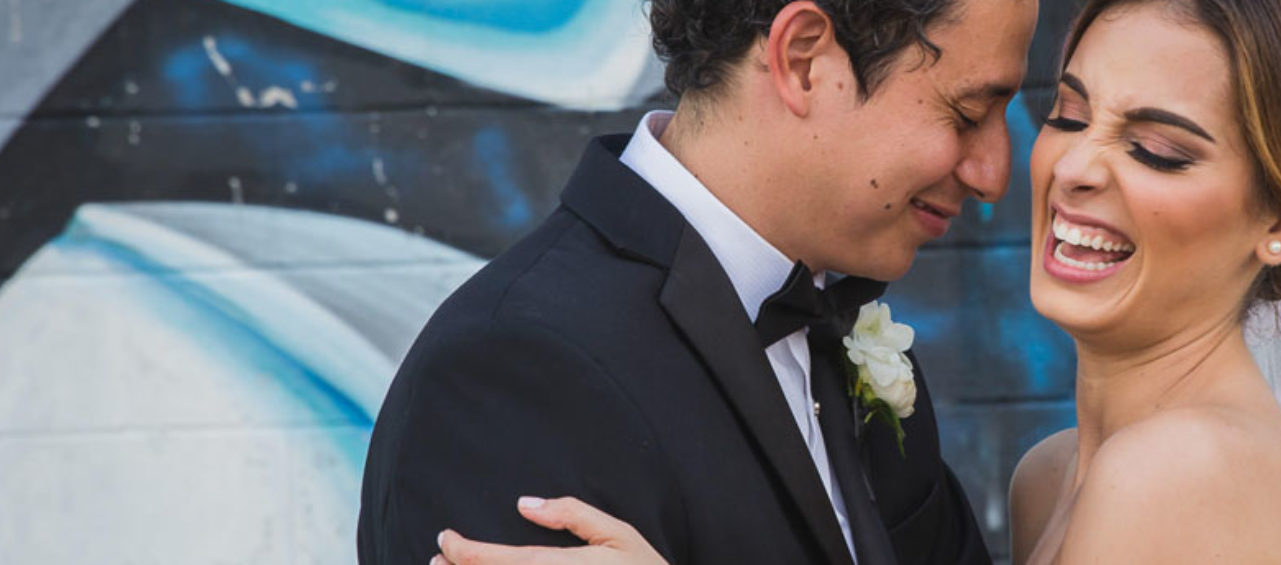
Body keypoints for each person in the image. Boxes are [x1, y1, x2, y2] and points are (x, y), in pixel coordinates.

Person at [428, 0, 1281, 563]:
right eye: (1073, 112)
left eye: (1162, 149)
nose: (1046, 168)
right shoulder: (1058, 475)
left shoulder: (1193, 475)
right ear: (803, 55)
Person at [355, 0, 1039, 564]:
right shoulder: (513, 373)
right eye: (967, 113)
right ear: (802, 59)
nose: (994, 174)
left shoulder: (849, 328)